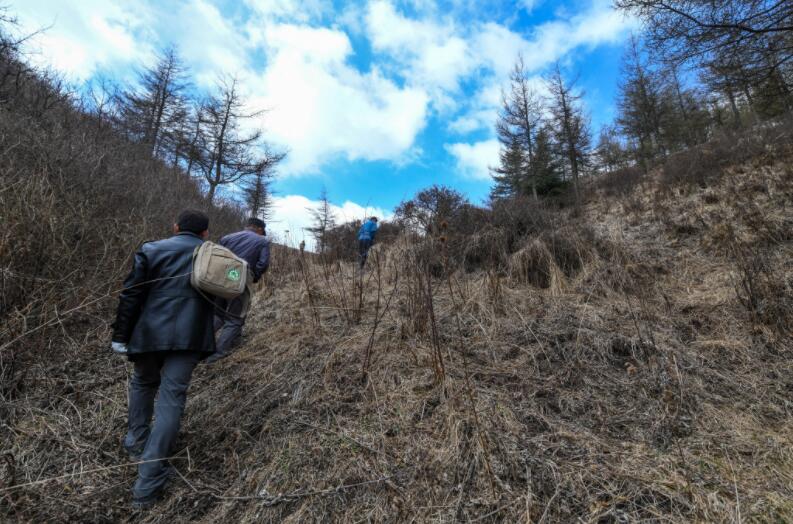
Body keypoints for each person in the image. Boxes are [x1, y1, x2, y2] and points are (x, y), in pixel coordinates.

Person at [111, 209, 216, 510]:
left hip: (148, 335)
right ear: (205, 233)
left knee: (143, 383)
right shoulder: (212, 254)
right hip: (190, 338)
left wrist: (121, 336)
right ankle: (148, 482)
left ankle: (135, 442)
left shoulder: (151, 249)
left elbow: (130, 295)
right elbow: (224, 297)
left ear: (175, 227)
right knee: (172, 398)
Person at [204, 217, 270, 364]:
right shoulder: (262, 241)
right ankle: (219, 353)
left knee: (218, 313)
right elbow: (263, 264)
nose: (262, 234)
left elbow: (215, 257)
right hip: (240, 280)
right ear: (259, 229)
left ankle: (200, 346)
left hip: (220, 280)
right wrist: (254, 276)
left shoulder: (227, 237)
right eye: (262, 232)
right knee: (235, 317)